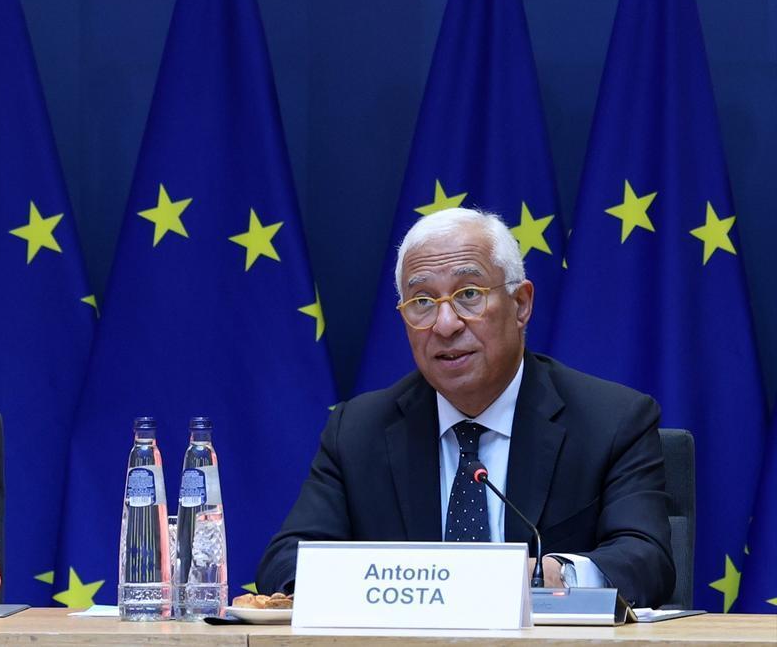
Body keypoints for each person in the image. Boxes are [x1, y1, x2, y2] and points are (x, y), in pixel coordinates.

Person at [256, 207, 673, 609]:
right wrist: (399, 580)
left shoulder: (611, 421)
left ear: (521, 304)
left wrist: (538, 576)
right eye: (422, 301)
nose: (445, 324)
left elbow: (645, 560)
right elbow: (284, 564)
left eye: (469, 294)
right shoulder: (357, 431)